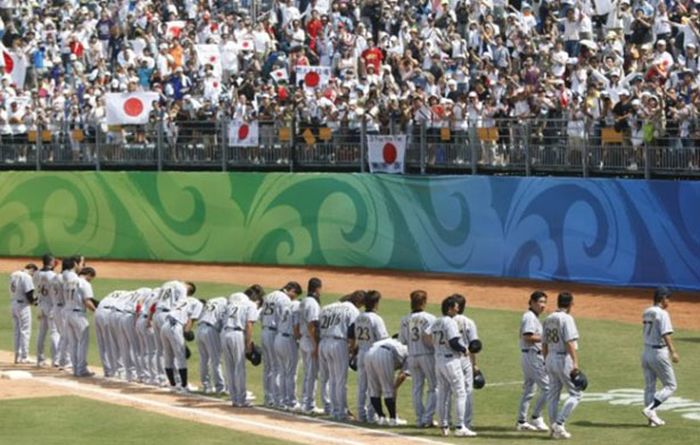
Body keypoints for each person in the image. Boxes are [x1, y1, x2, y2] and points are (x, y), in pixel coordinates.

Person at [426, 296, 471, 437]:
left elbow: (426, 335)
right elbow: (453, 341)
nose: (458, 309)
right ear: (450, 308)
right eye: (456, 307)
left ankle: (444, 426)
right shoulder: (450, 322)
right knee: (460, 392)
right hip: (451, 361)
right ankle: (460, 426)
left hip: (438, 360)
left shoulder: (436, 321)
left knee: (443, 394)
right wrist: (464, 349)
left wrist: (437, 346)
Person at [319, 290, 364, 421]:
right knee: (340, 380)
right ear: (358, 302)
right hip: (339, 343)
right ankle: (342, 411)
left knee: (332, 379)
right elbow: (353, 332)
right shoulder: (352, 310)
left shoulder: (327, 307)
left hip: (324, 342)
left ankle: (334, 410)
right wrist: (353, 349)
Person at [542, 292, 582, 440]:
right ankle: (559, 423)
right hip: (563, 358)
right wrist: (575, 363)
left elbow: (544, 343)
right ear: (570, 303)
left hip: (550, 357)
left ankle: (553, 430)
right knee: (576, 394)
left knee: (553, 395)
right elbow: (569, 342)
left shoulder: (548, 318)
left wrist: (546, 361)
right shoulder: (567, 318)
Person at [259, 281, 303, 407]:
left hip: (265, 331)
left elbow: (261, 315)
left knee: (268, 368)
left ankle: (269, 398)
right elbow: (284, 319)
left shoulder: (269, 295)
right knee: (276, 368)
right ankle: (277, 399)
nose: (292, 298)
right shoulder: (284, 299)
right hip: (275, 333)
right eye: (294, 295)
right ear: (291, 289)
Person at [641, 287, 679, 427]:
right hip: (658, 353)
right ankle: (650, 409)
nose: (668, 301)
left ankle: (651, 419)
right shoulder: (663, 314)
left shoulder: (647, 311)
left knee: (650, 387)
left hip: (645, 351)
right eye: (668, 298)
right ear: (662, 298)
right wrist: (673, 351)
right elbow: (665, 334)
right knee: (670, 385)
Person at [399, 290, 437, 428]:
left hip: (412, 356)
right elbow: (432, 339)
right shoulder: (430, 318)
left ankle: (419, 418)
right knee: (434, 387)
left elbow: (402, 340)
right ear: (424, 302)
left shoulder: (404, 319)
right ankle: (427, 418)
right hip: (427, 355)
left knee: (416, 388)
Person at [222, 285, 264, 407]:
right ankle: (241, 399)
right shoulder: (250, 305)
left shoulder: (232, 304)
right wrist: (249, 343)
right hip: (237, 334)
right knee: (239, 367)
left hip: (224, 333)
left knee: (229, 367)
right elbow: (249, 325)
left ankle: (234, 398)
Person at [351, 290, 389, 423]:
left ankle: (361, 415)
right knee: (373, 387)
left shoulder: (359, 317)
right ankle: (372, 415)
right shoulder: (376, 319)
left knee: (362, 386)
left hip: (361, 352)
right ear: (375, 303)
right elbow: (383, 339)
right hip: (372, 353)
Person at [516, 291, 550, 432]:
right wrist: (546, 338)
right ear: (532, 302)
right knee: (549, 388)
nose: (543, 305)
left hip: (529, 356)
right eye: (541, 302)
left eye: (545, 302)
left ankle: (521, 421)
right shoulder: (529, 317)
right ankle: (536, 417)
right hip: (532, 357)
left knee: (529, 390)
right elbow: (527, 337)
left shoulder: (533, 317)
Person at [160, 295, 204, 393]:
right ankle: (184, 386)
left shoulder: (184, 300)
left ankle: (172, 385)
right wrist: (187, 333)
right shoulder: (199, 304)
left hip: (165, 325)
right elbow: (191, 320)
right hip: (175, 327)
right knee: (181, 357)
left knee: (168, 356)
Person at [363, 337, 409, 426]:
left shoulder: (392, 342)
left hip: (369, 353)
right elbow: (402, 375)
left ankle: (381, 417)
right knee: (388, 390)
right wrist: (394, 388)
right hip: (384, 354)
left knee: (374, 389)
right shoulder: (407, 349)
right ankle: (393, 419)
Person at [452, 294, 479, 437]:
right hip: (464, 359)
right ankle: (466, 423)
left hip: (447, 361)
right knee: (467, 391)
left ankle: (446, 421)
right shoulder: (468, 322)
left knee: (448, 391)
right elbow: (474, 346)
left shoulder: (444, 321)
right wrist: (475, 365)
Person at [64, 266, 97, 377]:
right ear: (88, 274)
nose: (90, 280)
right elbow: (87, 301)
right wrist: (96, 311)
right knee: (83, 342)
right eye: (90, 278)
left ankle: (75, 369)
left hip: (67, 313)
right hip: (78, 314)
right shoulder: (84, 283)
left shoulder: (69, 282)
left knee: (73, 343)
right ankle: (81, 369)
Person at [299, 277, 326, 415]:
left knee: (308, 373)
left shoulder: (304, 301)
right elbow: (312, 325)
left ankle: (305, 402)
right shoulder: (313, 303)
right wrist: (316, 345)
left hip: (304, 340)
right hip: (310, 341)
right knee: (312, 374)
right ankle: (308, 404)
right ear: (317, 288)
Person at [274, 284, 302, 411]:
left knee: (282, 372)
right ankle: (291, 401)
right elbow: (296, 327)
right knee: (291, 373)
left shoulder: (286, 305)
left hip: (278, 338)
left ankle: (282, 400)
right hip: (288, 340)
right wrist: (299, 339)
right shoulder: (296, 306)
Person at [197, 295, 228, 394]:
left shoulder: (211, 300)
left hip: (199, 328)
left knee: (203, 359)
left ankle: (206, 386)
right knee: (216, 360)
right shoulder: (225, 304)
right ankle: (220, 387)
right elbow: (224, 321)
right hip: (210, 330)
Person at [9, 263, 38, 364]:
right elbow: (29, 293)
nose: (33, 275)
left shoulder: (14, 274)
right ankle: (24, 356)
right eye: (34, 273)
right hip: (22, 306)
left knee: (17, 331)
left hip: (13, 303)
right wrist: (34, 302)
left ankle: (17, 356)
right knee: (25, 331)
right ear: (32, 269)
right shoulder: (26, 277)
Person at [35, 254, 59, 367]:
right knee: (54, 332)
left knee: (42, 333)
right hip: (51, 306)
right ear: (51, 262)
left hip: (41, 304)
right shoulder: (53, 276)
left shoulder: (37, 274)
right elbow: (55, 293)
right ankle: (56, 360)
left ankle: (40, 360)